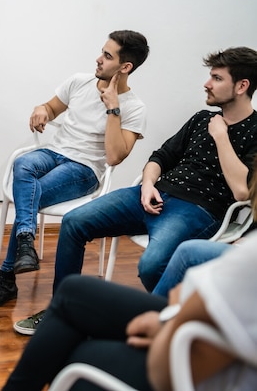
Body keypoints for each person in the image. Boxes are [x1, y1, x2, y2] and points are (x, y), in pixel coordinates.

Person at [14, 46, 257, 335]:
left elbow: (242, 191)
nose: (207, 84)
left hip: (198, 210)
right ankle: (61, 310)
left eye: (216, 78)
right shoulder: (201, 118)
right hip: (151, 195)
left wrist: (221, 137)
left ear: (242, 86)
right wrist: (148, 185)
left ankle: (168, 324)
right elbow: (160, 157)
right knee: (74, 222)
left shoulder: (249, 129)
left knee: (152, 265)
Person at [0, 30, 150, 309]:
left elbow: (115, 157)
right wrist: (42, 109)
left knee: (31, 195)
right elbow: (51, 108)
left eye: (107, 56)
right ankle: (26, 243)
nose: (98, 59)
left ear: (125, 67)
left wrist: (113, 108)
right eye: (101, 52)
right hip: (54, 152)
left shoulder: (134, 107)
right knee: (23, 164)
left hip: (85, 168)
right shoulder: (79, 82)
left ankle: (6, 278)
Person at [2, 231, 257, 390]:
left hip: (186, 366)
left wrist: (166, 325)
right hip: (194, 320)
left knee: (75, 348)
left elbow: (165, 372)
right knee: (73, 291)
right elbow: (162, 156)